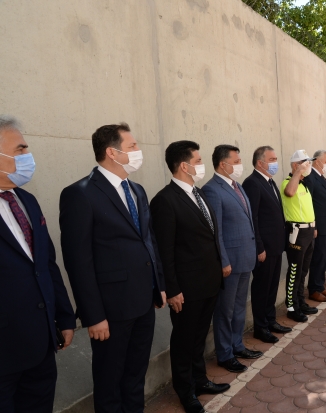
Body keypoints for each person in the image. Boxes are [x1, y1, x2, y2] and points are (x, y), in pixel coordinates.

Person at [60, 123, 167, 412]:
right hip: (111, 310)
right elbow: (78, 261)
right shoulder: (80, 194)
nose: (138, 151)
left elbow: (149, 241)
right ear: (112, 152)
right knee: (110, 380)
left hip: (144, 301)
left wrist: (160, 286)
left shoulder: (137, 190)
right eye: (132, 146)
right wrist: (93, 316)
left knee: (135, 375)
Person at [0, 116, 76, 413]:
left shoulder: (26, 201)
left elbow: (46, 264)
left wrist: (65, 317)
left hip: (41, 345)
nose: (27, 156)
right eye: (20, 150)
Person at [150, 141, 230, 413]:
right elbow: (165, 250)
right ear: (184, 165)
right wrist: (172, 289)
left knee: (198, 339)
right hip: (185, 288)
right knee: (184, 341)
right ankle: (185, 391)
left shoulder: (199, 193)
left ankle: (200, 380)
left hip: (208, 282)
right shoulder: (165, 200)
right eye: (197, 160)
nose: (201, 164)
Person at [202, 145, 262, 374]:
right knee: (224, 310)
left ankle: (237, 345)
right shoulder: (212, 190)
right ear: (222, 164)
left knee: (238, 308)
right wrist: (223, 260)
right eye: (235, 161)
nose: (239, 165)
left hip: (245, 257)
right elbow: (215, 231)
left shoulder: (237, 186)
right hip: (230, 262)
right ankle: (225, 353)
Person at [242, 146, 292, 344]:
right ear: (260, 162)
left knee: (271, 287)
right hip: (264, 249)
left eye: (276, 159)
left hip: (276, 246)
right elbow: (252, 218)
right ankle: (260, 327)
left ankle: (270, 320)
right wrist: (259, 247)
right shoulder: (252, 183)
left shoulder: (270, 182)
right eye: (272, 159)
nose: (275, 163)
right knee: (262, 288)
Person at [281, 150, 317, 322]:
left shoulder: (304, 184)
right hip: (297, 233)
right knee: (295, 271)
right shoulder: (288, 183)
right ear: (295, 165)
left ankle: (300, 301)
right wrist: (297, 172)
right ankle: (291, 306)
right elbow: (289, 192)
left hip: (309, 231)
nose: (308, 166)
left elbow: (308, 209)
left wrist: (314, 226)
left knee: (303, 270)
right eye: (305, 162)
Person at [304, 150, 326, 303]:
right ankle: (314, 289)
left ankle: (320, 285)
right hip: (320, 227)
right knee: (318, 258)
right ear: (316, 161)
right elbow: (308, 204)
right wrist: (315, 226)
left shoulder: (322, 178)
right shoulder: (311, 178)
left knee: (325, 257)